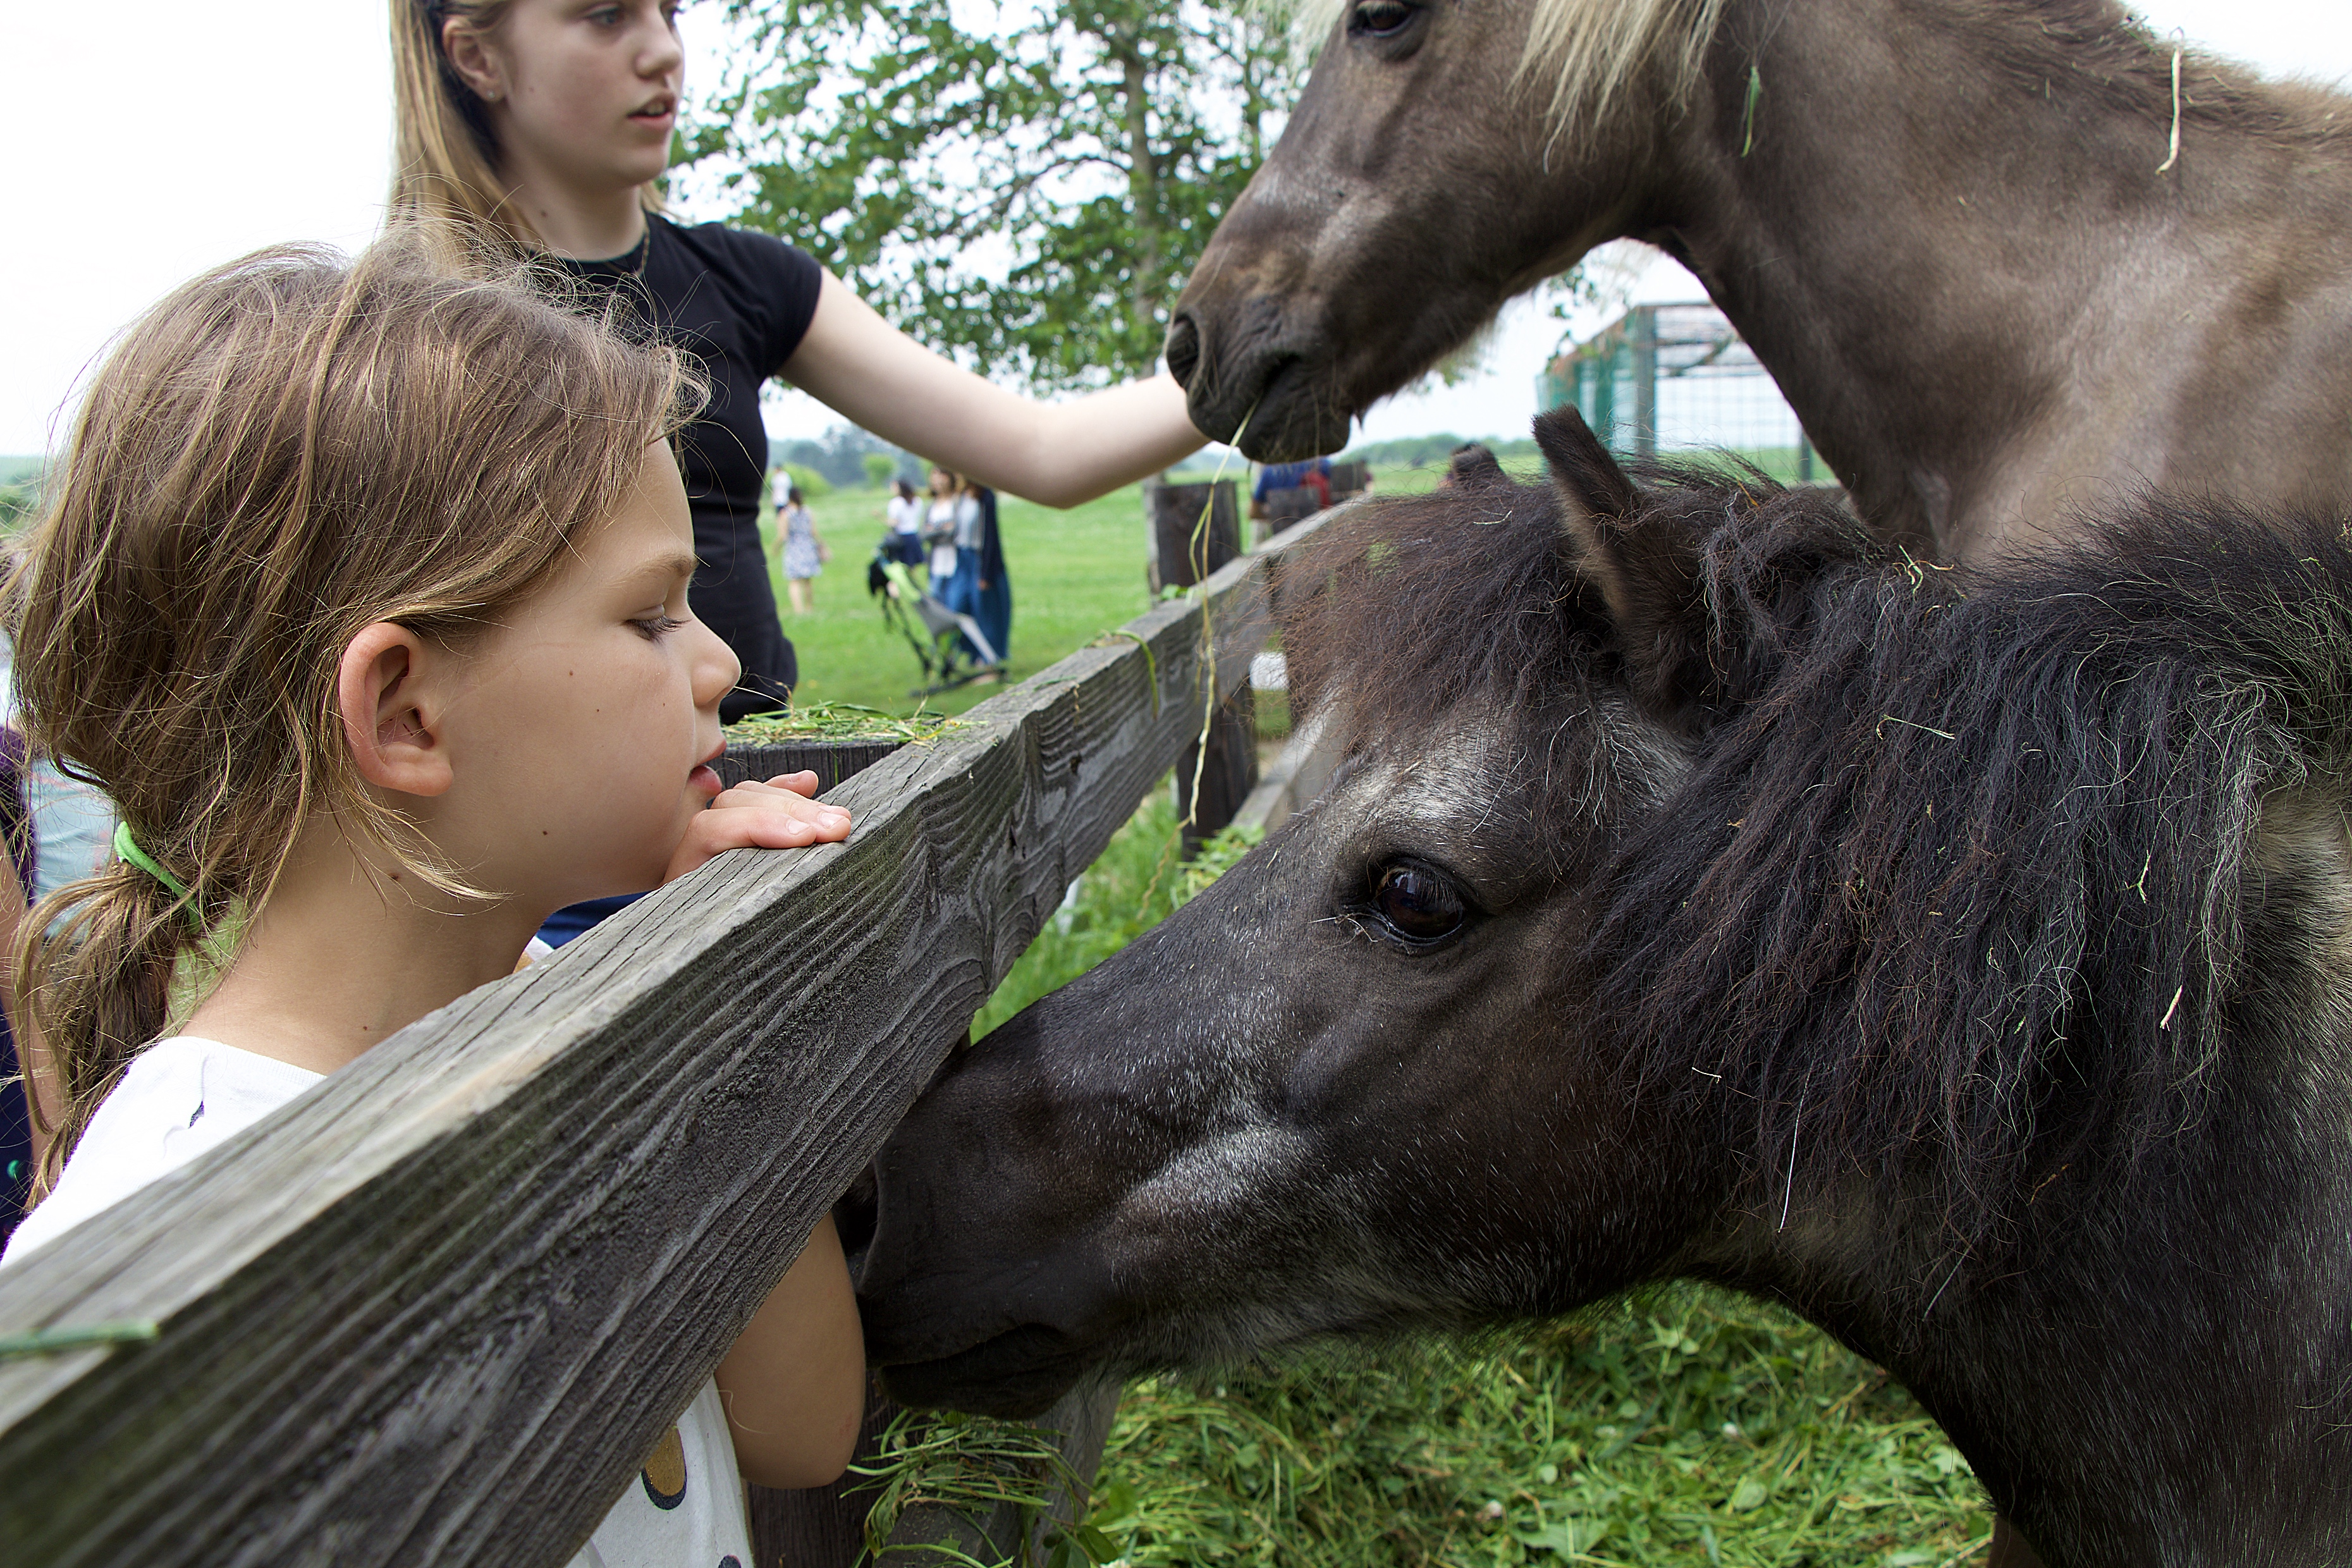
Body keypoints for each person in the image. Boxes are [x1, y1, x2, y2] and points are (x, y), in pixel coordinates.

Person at [0, 237, 866, 1562]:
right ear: (406, 712)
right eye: (651, 615)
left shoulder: (559, 1011)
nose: (722, 661)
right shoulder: (178, 1243)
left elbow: (801, 1431)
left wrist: (704, 1007)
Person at [392, 0, 1204, 721]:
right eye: (607, 15)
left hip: (763, 798)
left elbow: (1045, 450)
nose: (664, 50)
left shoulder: (751, 280)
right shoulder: (398, 335)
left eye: (671, 12)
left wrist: (1249, 356)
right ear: (478, 56)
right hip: (563, 840)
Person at [775, 479, 827, 614]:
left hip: (793, 549)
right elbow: (813, 531)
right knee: (808, 580)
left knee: (794, 581)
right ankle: (809, 608)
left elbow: (783, 535)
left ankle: (799, 610)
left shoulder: (786, 513)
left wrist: (776, 548)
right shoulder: (807, 511)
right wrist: (822, 544)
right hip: (808, 547)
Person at [921, 465, 969, 603]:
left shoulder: (957, 502)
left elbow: (954, 531)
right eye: (934, 475)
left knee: (954, 601)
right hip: (936, 561)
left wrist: (934, 530)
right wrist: (943, 529)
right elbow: (923, 534)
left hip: (954, 559)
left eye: (941, 475)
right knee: (936, 598)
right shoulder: (932, 506)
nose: (938, 480)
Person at [881, 477, 924, 568]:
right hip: (914, 536)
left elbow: (893, 523)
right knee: (911, 567)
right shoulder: (917, 500)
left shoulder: (896, 502)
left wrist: (880, 517)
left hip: (902, 538)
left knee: (901, 568)